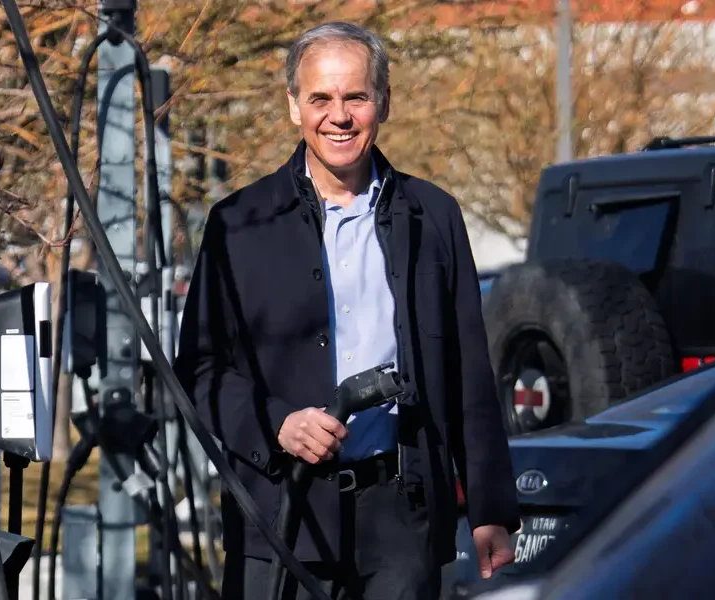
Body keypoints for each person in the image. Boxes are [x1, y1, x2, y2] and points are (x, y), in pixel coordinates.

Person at [174, 21, 521, 600]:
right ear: (294, 106)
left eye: (355, 97)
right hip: (281, 519)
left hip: (401, 523)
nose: (339, 116)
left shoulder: (434, 216)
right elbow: (199, 371)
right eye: (321, 99)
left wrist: (490, 508)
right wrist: (277, 424)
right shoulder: (238, 224)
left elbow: (468, 373)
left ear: (383, 102)